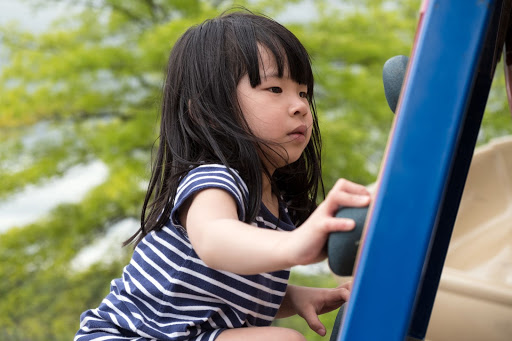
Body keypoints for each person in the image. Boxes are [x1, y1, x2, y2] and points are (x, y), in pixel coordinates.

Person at [75, 9, 371, 341]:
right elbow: (215, 240)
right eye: (275, 89)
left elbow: (218, 291)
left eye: (303, 93)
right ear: (208, 112)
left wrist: (293, 297)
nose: (300, 106)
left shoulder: (275, 203)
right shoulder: (214, 181)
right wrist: (296, 244)